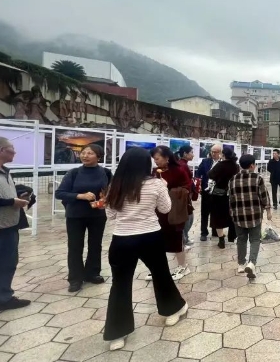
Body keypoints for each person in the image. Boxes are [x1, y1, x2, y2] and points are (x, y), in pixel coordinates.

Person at [103, 147, 187, 351]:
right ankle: (174, 309)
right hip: (150, 236)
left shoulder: (115, 185)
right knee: (161, 275)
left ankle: (117, 332)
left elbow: (111, 215)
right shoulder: (156, 184)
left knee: (120, 284)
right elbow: (165, 209)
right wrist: (163, 188)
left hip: (122, 239)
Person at [55, 144, 112, 293]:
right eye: (83, 153)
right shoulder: (73, 173)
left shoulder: (106, 172)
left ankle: (92, 273)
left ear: (98, 157)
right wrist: (81, 196)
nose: (85, 156)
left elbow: (111, 191)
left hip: (97, 215)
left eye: (90, 153)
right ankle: (75, 279)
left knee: (95, 245)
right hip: (75, 215)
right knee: (75, 247)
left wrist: (106, 198)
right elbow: (59, 193)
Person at [0, 137, 31, 329]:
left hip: (8, 228)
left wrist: (19, 197)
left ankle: (2, 298)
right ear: (1, 150)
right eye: (11, 148)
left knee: (7, 265)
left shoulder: (4, 171)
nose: (14, 152)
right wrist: (10, 202)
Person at [150, 146, 191, 280]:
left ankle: (183, 266)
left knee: (176, 238)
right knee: (157, 240)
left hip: (174, 210)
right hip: (157, 210)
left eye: (157, 158)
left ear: (167, 158)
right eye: (154, 159)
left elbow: (187, 188)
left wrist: (167, 188)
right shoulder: (155, 171)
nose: (155, 161)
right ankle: (159, 268)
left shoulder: (179, 170)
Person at [229, 154, 272, 279]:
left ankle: (241, 264)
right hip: (255, 215)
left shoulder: (233, 179)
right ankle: (252, 263)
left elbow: (231, 198)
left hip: (238, 216)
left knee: (241, 239)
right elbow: (264, 196)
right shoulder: (257, 178)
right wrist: (268, 210)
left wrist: (232, 213)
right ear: (252, 165)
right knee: (255, 239)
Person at [208, 147, 240, 248]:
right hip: (231, 194)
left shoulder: (220, 165)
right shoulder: (236, 166)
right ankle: (232, 236)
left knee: (218, 217)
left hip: (219, 195)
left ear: (223, 155)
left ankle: (221, 240)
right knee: (231, 216)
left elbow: (210, 174)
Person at [195, 143, 221, 241]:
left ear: (220, 153)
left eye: (215, 152)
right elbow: (198, 173)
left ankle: (215, 230)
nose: (213, 154)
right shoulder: (205, 161)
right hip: (206, 191)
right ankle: (203, 232)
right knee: (204, 213)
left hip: (218, 192)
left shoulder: (223, 163)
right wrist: (199, 185)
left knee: (216, 212)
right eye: (212, 152)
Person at [176, 145, 196, 247]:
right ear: (185, 153)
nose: (193, 155)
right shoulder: (182, 165)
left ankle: (185, 238)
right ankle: (182, 241)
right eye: (191, 152)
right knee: (187, 218)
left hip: (185, 195)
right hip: (183, 196)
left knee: (189, 217)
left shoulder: (183, 164)